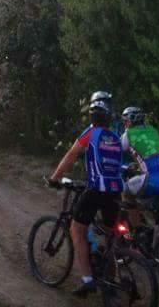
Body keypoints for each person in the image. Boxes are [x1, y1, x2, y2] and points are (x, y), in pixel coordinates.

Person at [48, 98, 124, 298]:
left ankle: (88, 281)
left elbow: (71, 155)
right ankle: (113, 282)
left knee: (77, 229)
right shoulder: (115, 137)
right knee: (110, 237)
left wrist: (54, 178)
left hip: (96, 189)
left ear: (92, 117)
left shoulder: (91, 133)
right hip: (115, 190)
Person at [120, 107, 159, 199]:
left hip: (151, 181)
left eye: (125, 121)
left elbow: (116, 151)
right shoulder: (153, 130)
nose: (124, 124)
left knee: (125, 191)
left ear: (130, 121)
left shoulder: (128, 134)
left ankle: (134, 212)